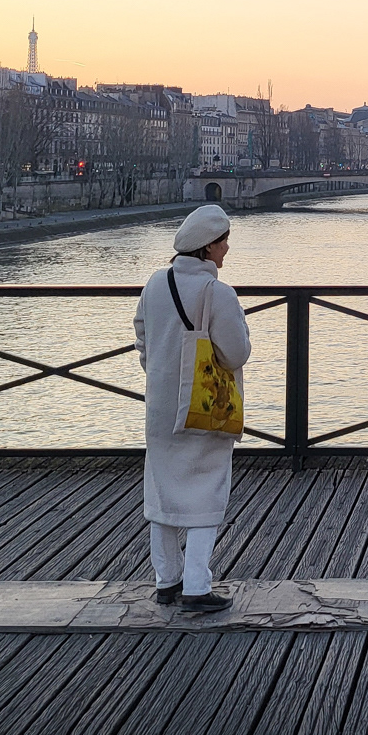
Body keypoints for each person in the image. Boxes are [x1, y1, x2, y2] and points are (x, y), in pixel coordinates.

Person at [133, 204, 250, 612]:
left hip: (160, 406)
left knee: (163, 491)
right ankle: (198, 586)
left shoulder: (154, 284)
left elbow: (142, 340)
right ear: (206, 248)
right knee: (206, 492)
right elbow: (236, 353)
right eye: (223, 242)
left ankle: (167, 581)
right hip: (204, 407)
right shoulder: (217, 293)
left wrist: (162, 371)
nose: (227, 249)